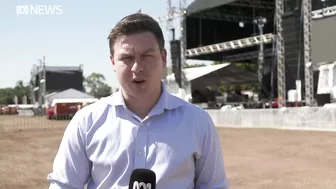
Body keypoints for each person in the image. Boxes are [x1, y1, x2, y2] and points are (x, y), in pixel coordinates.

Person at [47, 12, 229, 189]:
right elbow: (64, 185)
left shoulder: (198, 121)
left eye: (147, 56)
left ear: (164, 58)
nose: (137, 68)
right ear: (112, 62)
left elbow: (214, 186)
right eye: (127, 58)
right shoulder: (86, 122)